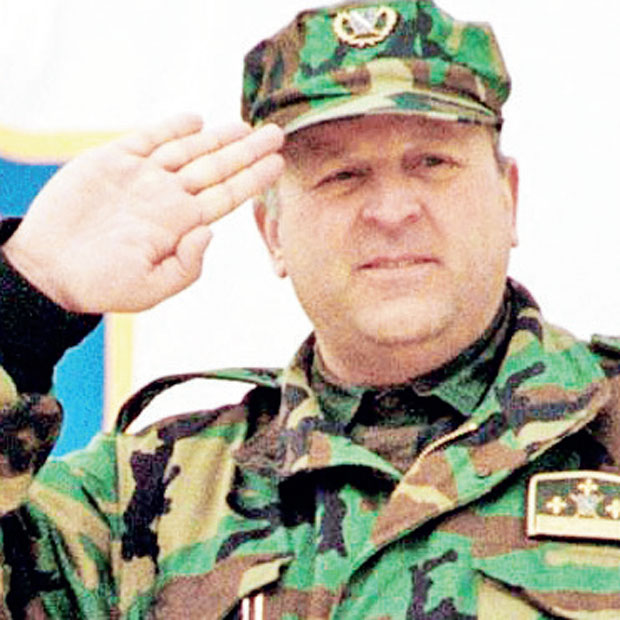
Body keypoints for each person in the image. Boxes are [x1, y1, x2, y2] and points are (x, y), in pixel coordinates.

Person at [1, 0, 620, 618]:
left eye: (432, 163)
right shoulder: (143, 498)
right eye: (341, 175)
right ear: (272, 231)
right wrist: (27, 301)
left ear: (509, 199)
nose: (392, 211)